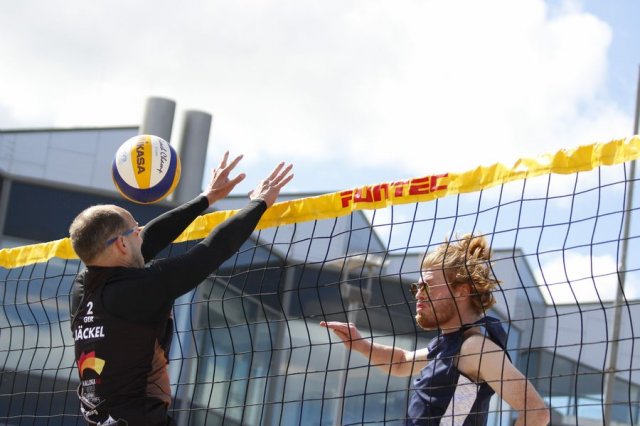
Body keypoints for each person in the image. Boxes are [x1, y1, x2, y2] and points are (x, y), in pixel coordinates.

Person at [69, 152, 292, 425]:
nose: (140, 232)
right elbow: (210, 251)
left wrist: (206, 198)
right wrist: (259, 203)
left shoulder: (82, 289)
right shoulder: (138, 290)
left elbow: (150, 238)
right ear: (122, 244)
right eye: (134, 229)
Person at [321, 234, 550, 426]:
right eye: (417, 287)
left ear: (462, 291)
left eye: (428, 286)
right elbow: (400, 362)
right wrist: (361, 345)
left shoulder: (475, 348)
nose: (419, 294)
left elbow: (537, 413)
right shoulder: (448, 345)